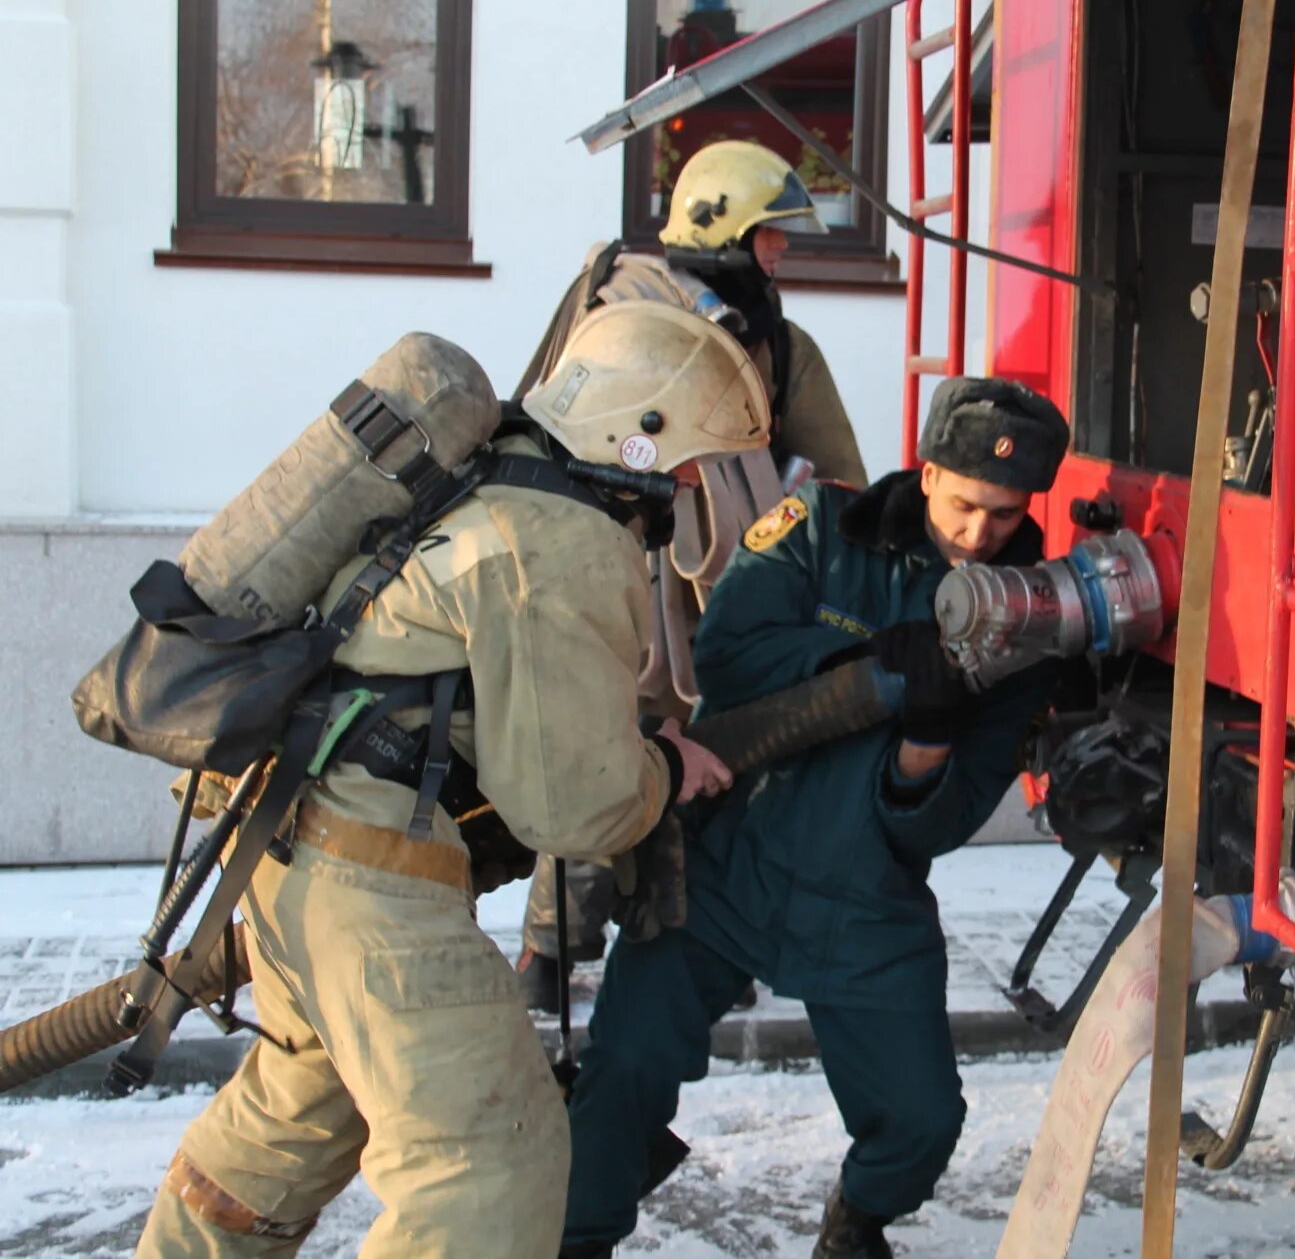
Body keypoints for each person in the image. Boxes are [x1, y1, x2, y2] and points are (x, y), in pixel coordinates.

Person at [133, 302, 754, 1258]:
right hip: (372, 888)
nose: (688, 484)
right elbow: (573, 805)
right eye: (689, 459)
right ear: (638, 435)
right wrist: (663, 769)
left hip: (283, 844)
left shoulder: (489, 478)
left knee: (296, 1116)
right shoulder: (565, 538)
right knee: (487, 1167)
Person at [559, 378, 1071, 1259]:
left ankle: (856, 1220)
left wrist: (928, 743)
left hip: (861, 896)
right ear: (926, 469)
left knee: (921, 1118)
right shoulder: (825, 527)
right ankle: (576, 1239)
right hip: (727, 864)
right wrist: (864, 657)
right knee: (623, 1070)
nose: (980, 533)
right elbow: (727, 651)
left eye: (1004, 513)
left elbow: (931, 829)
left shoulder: (1025, 627)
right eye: (964, 504)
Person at [516, 139, 869, 1010]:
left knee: (712, 772)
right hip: (613, 582)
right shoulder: (619, 324)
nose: (782, 255)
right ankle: (550, 951)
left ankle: (697, 942)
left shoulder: (782, 348)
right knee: (597, 761)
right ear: (727, 233)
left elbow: (838, 483)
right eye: (771, 237)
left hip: (727, 600)